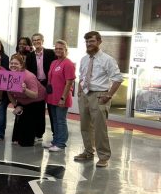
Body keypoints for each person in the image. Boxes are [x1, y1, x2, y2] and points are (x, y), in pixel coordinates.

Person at [74, 31, 123, 167]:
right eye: (87, 42)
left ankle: (104, 156)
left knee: (100, 128)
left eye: (92, 41)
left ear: (99, 42)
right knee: (85, 126)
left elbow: (118, 79)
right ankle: (88, 152)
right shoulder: (84, 59)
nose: (89, 44)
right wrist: (79, 91)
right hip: (85, 95)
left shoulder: (107, 60)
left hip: (100, 95)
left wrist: (108, 95)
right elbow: (82, 76)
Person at [7, 53, 46, 147]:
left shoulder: (29, 76)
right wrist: (16, 106)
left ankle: (38, 135)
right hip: (22, 101)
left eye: (16, 63)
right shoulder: (9, 76)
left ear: (21, 65)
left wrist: (24, 90)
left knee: (26, 142)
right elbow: (9, 93)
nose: (13, 65)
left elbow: (35, 95)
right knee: (16, 139)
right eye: (11, 63)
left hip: (36, 101)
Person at [44, 40, 76, 152]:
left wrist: (63, 98)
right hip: (52, 97)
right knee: (55, 120)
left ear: (66, 50)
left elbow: (69, 82)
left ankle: (61, 143)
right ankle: (55, 141)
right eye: (56, 48)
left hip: (61, 98)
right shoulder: (54, 62)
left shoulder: (68, 64)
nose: (58, 50)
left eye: (61, 48)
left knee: (61, 120)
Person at [26, 33, 56, 142]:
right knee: (38, 110)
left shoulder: (50, 53)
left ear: (42, 41)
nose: (36, 42)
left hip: (48, 84)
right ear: (32, 42)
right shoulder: (29, 56)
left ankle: (56, 136)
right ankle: (39, 134)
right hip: (37, 85)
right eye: (34, 40)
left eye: (38, 40)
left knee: (52, 110)